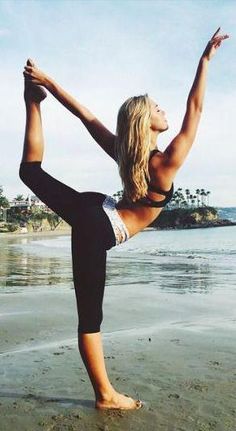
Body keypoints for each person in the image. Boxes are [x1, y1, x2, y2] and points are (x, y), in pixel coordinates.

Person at [20, 27, 229, 410]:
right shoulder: (163, 164)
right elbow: (195, 109)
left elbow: (87, 116)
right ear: (145, 122)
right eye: (157, 108)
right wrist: (204, 62)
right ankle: (105, 396)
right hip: (97, 225)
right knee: (90, 318)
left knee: (30, 173)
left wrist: (47, 82)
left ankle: (32, 103)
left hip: (94, 212)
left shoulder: (128, 154)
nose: (164, 111)